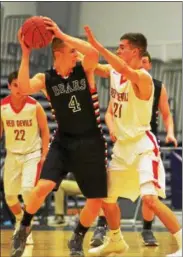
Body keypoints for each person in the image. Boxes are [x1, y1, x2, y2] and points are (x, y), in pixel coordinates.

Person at [10, 18, 120, 257]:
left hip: (91, 141)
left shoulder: (85, 70)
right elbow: (25, 86)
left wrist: (61, 32)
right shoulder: (46, 79)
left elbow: (91, 52)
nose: (76, 55)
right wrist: (26, 54)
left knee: (95, 199)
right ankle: (24, 227)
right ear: (58, 54)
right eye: (71, 52)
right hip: (63, 141)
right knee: (43, 187)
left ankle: (77, 238)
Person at [84, 26, 182, 257]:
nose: (118, 50)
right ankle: (116, 240)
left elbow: (119, 67)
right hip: (122, 148)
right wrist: (74, 49)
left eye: (122, 47)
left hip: (142, 146)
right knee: (106, 200)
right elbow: (93, 65)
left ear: (136, 52)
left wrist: (97, 46)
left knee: (150, 200)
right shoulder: (116, 71)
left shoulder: (143, 78)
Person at [0, 71, 50, 245]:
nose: (18, 88)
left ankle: (27, 226)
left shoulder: (34, 105)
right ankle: (21, 221)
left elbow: (45, 130)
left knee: (28, 190)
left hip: (32, 154)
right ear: (9, 87)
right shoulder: (2, 107)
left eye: (21, 84)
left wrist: (44, 153)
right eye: (15, 85)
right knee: (10, 197)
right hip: (12, 154)